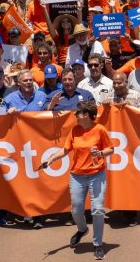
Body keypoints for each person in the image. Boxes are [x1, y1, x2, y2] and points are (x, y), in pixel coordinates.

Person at [43, 102, 115, 260]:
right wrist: (51, 159)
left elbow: (111, 149)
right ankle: (82, 230)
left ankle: (97, 244)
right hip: (77, 175)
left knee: (97, 209)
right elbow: (65, 149)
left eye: (78, 113)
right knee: (76, 210)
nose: (75, 115)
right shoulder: (75, 130)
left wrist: (100, 153)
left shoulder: (100, 129)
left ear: (88, 115)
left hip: (97, 174)